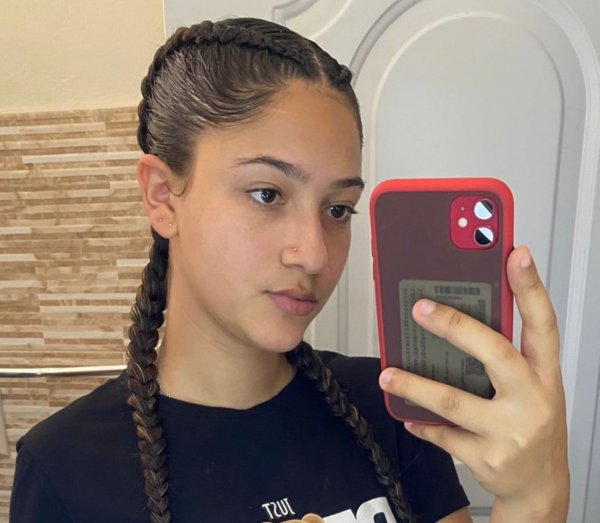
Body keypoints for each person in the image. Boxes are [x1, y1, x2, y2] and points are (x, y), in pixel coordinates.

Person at [9, 17, 569, 523]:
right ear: (162, 196)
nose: (315, 255)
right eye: (267, 193)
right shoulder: (65, 468)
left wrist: (534, 498)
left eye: (337, 209)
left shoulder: (391, 405)